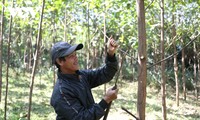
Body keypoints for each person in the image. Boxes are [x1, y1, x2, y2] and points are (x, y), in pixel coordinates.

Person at [50, 38, 119, 120]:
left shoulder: (81, 76)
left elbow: (105, 73)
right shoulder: (61, 92)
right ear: (60, 61)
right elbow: (82, 118)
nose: (76, 58)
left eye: (75, 54)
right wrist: (106, 100)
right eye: (71, 56)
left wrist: (110, 54)